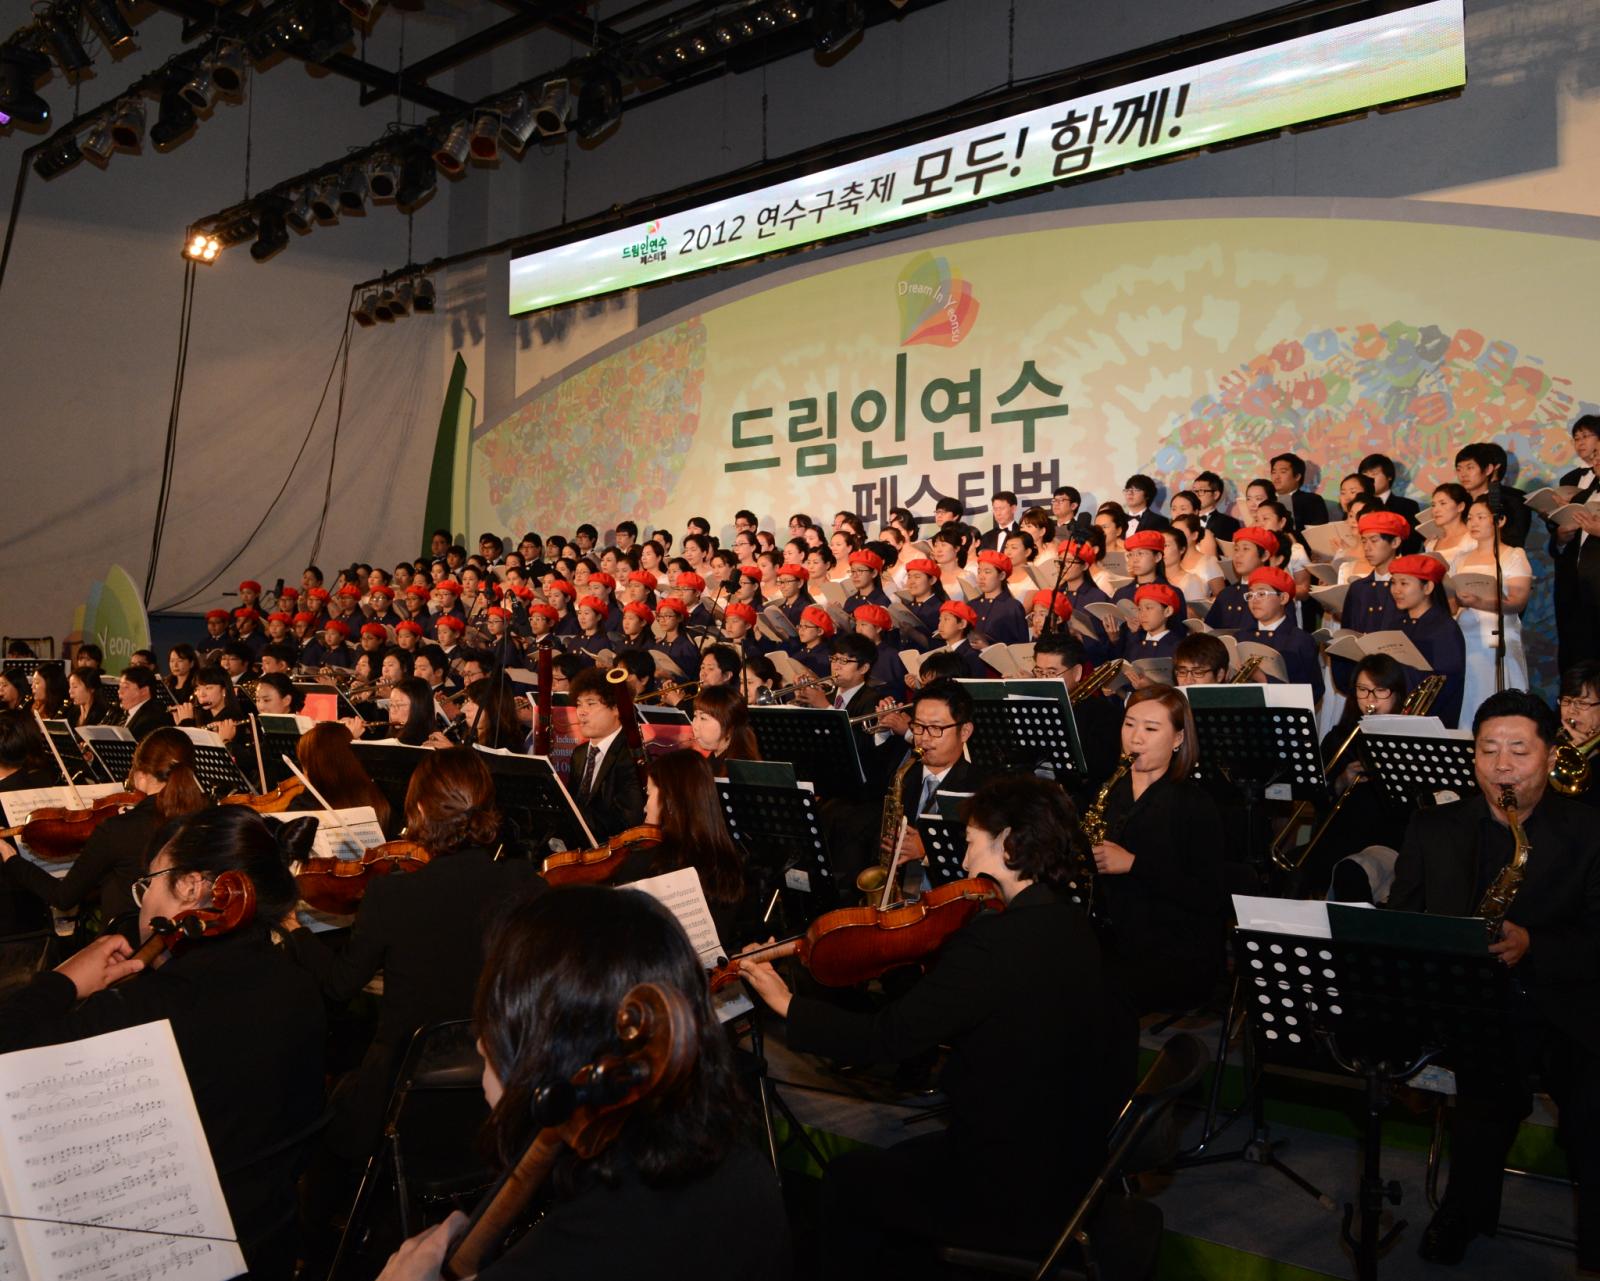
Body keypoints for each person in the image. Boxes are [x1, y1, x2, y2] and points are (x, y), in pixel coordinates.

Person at [739, 773, 1134, 1276]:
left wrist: (787, 1003)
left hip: (1010, 1188)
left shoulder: (992, 946)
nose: (964, 862)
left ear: (1010, 845)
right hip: (1072, 1165)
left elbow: (884, 1039)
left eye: (971, 845)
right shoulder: (1075, 926)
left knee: (845, 1180)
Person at [376, 886, 787, 1281]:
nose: (482, 1043)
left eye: (506, 1015)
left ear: (559, 1047)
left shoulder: (580, 1249)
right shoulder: (747, 1171)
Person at [0, 806, 326, 1278]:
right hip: (265, 1245)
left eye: (147, 883)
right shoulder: (300, 989)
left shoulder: (140, 1015)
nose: (142, 900)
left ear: (191, 887)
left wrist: (63, 981)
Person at [1390, 691, 1600, 1269]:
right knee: (1483, 1098)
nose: (1501, 766)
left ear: (1551, 755)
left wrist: (1535, 944)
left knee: (1592, 1108)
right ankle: (1465, 1209)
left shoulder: (1589, 829)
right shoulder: (1434, 826)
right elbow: (1399, 922)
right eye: (1488, 750)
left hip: (1567, 1004)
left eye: (1518, 750)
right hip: (1471, 1006)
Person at [283, 749, 543, 1167]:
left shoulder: (392, 895)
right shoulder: (524, 881)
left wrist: (294, 930)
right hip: (500, 1083)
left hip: (403, 1092)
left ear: (420, 809)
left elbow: (339, 984)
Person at [1090, 685, 1227, 1014]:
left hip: (1174, 947)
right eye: (1129, 724)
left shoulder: (1195, 803)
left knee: (1096, 996)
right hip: (1116, 934)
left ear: (1179, 738)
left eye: (1151, 729)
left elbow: (1210, 896)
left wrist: (1135, 865)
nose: (1135, 738)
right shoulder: (1109, 792)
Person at [1, 725, 210, 929]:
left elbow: (62, 897)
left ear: (141, 774)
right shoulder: (208, 818)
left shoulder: (117, 829)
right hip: (192, 931)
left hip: (129, 940)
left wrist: (11, 858)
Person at [618, 749, 761, 946]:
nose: (644, 807)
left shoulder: (644, 863)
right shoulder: (734, 863)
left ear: (669, 801)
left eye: (649, 794)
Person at [1449, 494, 1534, 726]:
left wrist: (1478, 601)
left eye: (1480, 517)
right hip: (1466, 638)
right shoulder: (1461, 558)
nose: (1473, 523)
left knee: (1499, 700)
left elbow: (1517, 601)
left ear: (1500, 520)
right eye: (1470, 518)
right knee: (1468, 697)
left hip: (1498, 639)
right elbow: (1452, 601)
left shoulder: (1513, 555)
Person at [568, 667, 647, 842]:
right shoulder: (579, 754)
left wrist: (571, 813)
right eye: (579, 704)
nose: (581, 712)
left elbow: (627, 821)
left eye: (591, 703)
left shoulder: (632, 756)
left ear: (616, 708)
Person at [1548, 415, 1600, 672]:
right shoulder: (1579, 487)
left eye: (1586, 437)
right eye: (1575, 438)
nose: (1580, 443)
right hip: (1576, 586)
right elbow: (1559, 528)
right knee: (1576, 657)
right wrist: (1559, 537)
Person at [1390, 554, 1467, 729]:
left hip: (1427, 723)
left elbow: (1444, 684)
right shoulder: (1396, 624)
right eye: (1393, 582)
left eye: (1404, 583)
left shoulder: (1444, 628)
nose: (1396, 590)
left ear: (1428, 587)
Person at [289, 722, 393, 830]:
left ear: (317, 767)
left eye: (305, 764)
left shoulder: (305, 805)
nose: (303, 772)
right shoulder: (377, 796)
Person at [1555, 660, 1600, 809]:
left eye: (1582, 703)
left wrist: (1589, 757)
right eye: (1567, 701)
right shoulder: (1549, 741)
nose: (1572, 710)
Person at [689, 684, 759, 776]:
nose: (695, 725)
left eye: (703, 718)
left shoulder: (742, 770)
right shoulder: (711, 760)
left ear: (729, 725)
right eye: (695, 716)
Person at [1269, 451, 1329, 528]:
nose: (1276, 477)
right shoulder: (1268, 500)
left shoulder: (1312, 500)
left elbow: (1317, 532)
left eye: (1283, 472)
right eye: (1273, 472)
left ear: (1297, 476)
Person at [119, 663, 176, 740]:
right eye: (120, 686)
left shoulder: (152, 720)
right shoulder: (120, 713)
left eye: (126, 687)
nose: (119, 691)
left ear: (144, 691)